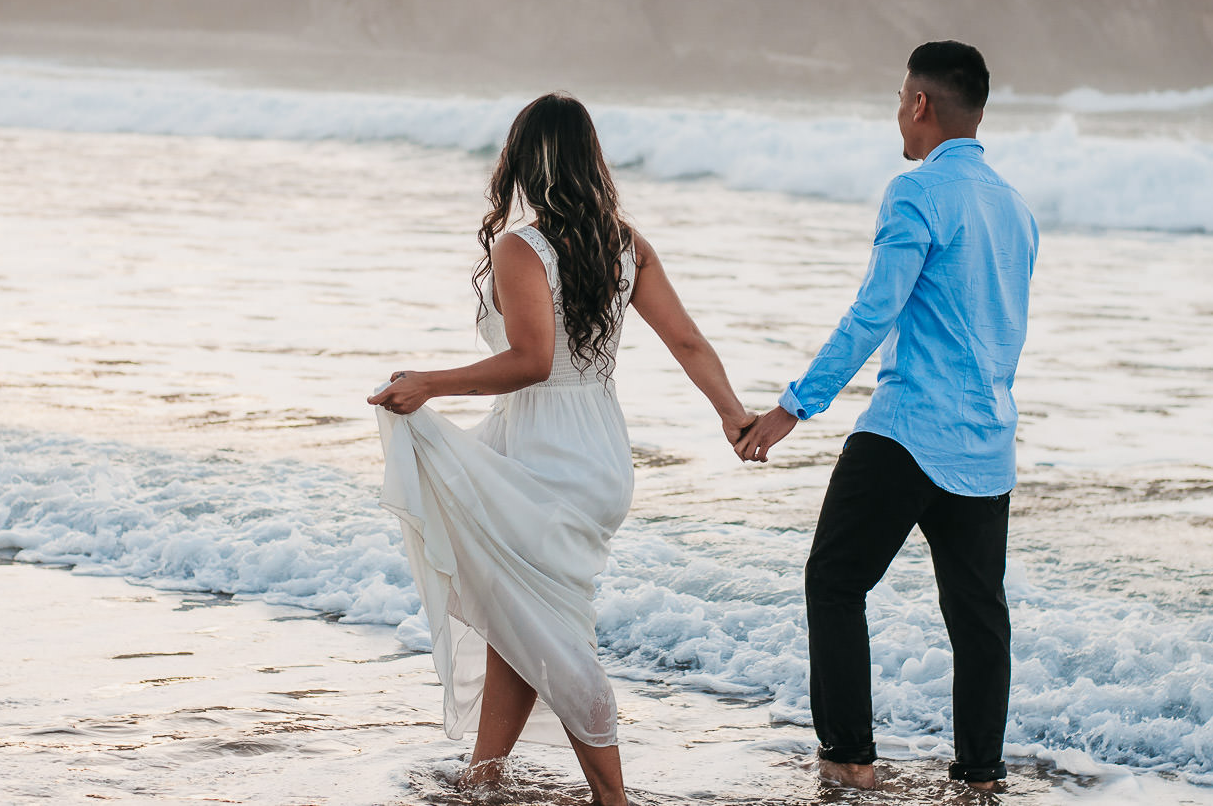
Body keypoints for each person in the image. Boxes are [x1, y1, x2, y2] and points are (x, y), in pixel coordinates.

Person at [369, 92, 755, 806]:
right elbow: (688, 340)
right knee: (522, 613)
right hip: (600, 451)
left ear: (522, 161)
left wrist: (430, 383)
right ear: (588, 159)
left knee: (554, 631)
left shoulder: (524, 247)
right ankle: (484, 774)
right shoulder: (624, 243)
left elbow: (532, 361)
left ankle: (613, 796)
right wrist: (732, 415)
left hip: (546, 452)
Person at [736, 41, 1039, 792]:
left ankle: (850, 759)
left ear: (920, 105)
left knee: (834, 581)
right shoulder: (1016, 210)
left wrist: (792, 407)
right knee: (978, 619)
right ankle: (979, 776)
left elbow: (875, 311)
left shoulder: (916, 192)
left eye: (900, 99)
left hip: (908, 432)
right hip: (987, 444)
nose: (897, 114)